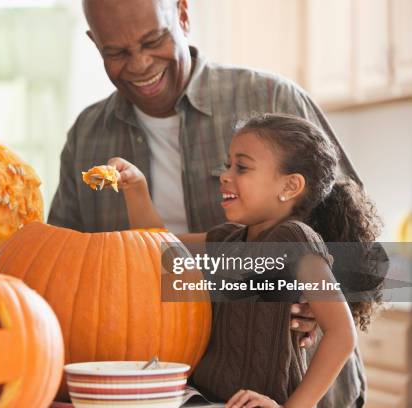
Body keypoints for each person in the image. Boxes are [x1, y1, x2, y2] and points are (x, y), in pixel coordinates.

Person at [47, 0, 369, 405]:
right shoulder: (86, 136)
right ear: (95, 44)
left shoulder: (272, 97)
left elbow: (362, 253)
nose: (141, 63)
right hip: (181, 393)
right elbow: (152, 252)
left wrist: (315, 297)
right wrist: (136, 190)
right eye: (116, 52)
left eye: (153, 40)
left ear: (182, 15)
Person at [106, 113, 383, 407]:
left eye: (242, 167)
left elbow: (341, 335)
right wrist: (136, 188)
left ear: (289, 187)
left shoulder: (294, 240)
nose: (225, 175)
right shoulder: (227, 239)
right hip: (205, 397)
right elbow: (155, 247)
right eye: (228, 165)